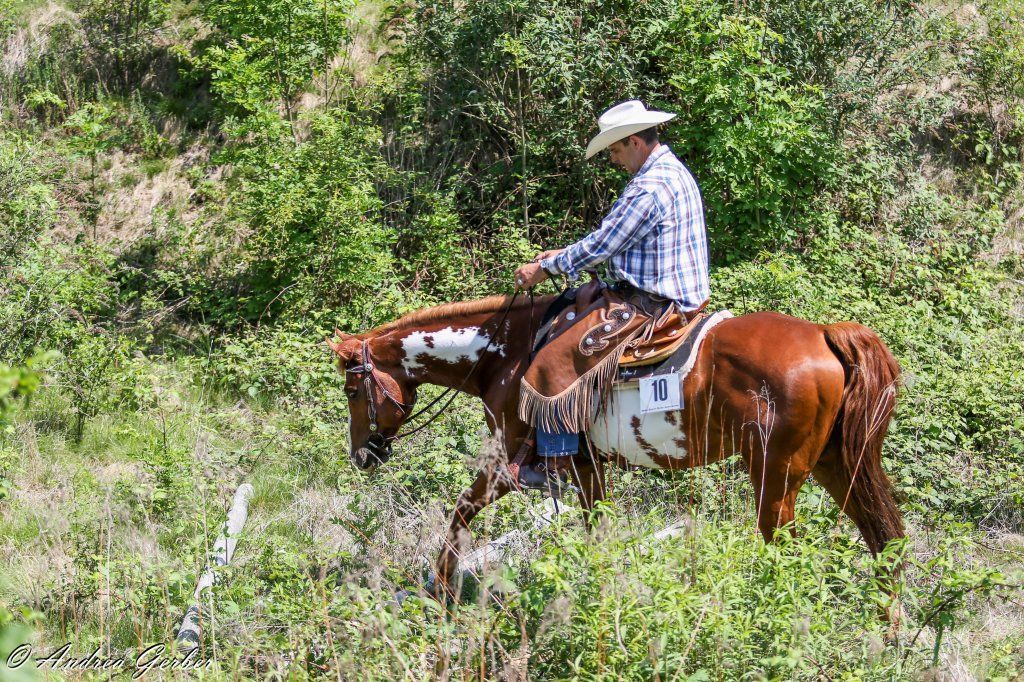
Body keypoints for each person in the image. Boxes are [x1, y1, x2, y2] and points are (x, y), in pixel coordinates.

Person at [512, 99, 711, 491]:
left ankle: (554, 461)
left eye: (617, 150)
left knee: (555, 356)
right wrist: (565, 255)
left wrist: (546, 268)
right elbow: (617, 243)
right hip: (674, 293)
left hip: (651, 302)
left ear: (635, 141)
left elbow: (605, 242)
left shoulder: (649, 187)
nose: (616, 160)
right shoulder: (671, 171)